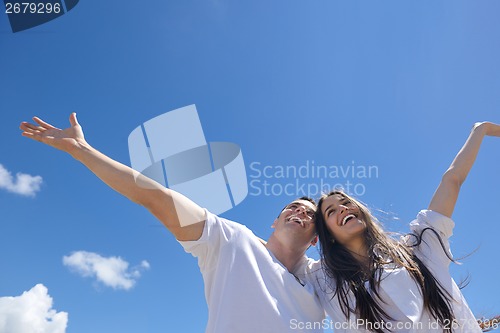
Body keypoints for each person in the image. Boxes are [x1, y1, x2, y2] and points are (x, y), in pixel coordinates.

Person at [19, 113, 325, 333]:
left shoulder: (323, 279)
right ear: (274, 221)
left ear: (315, 240)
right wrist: (81, 150)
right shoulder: (230, 240)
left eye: (311, 215)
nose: (301, 212)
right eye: (294, 207)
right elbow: (155, 196)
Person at [303, 121, 500, 332]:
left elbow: (452, 180)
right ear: (327, 235)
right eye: (331, 211)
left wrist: (481, 130)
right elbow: (267, 252)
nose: (342, 208)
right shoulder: (322, 278)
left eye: (345, 202)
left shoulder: (417, 248)